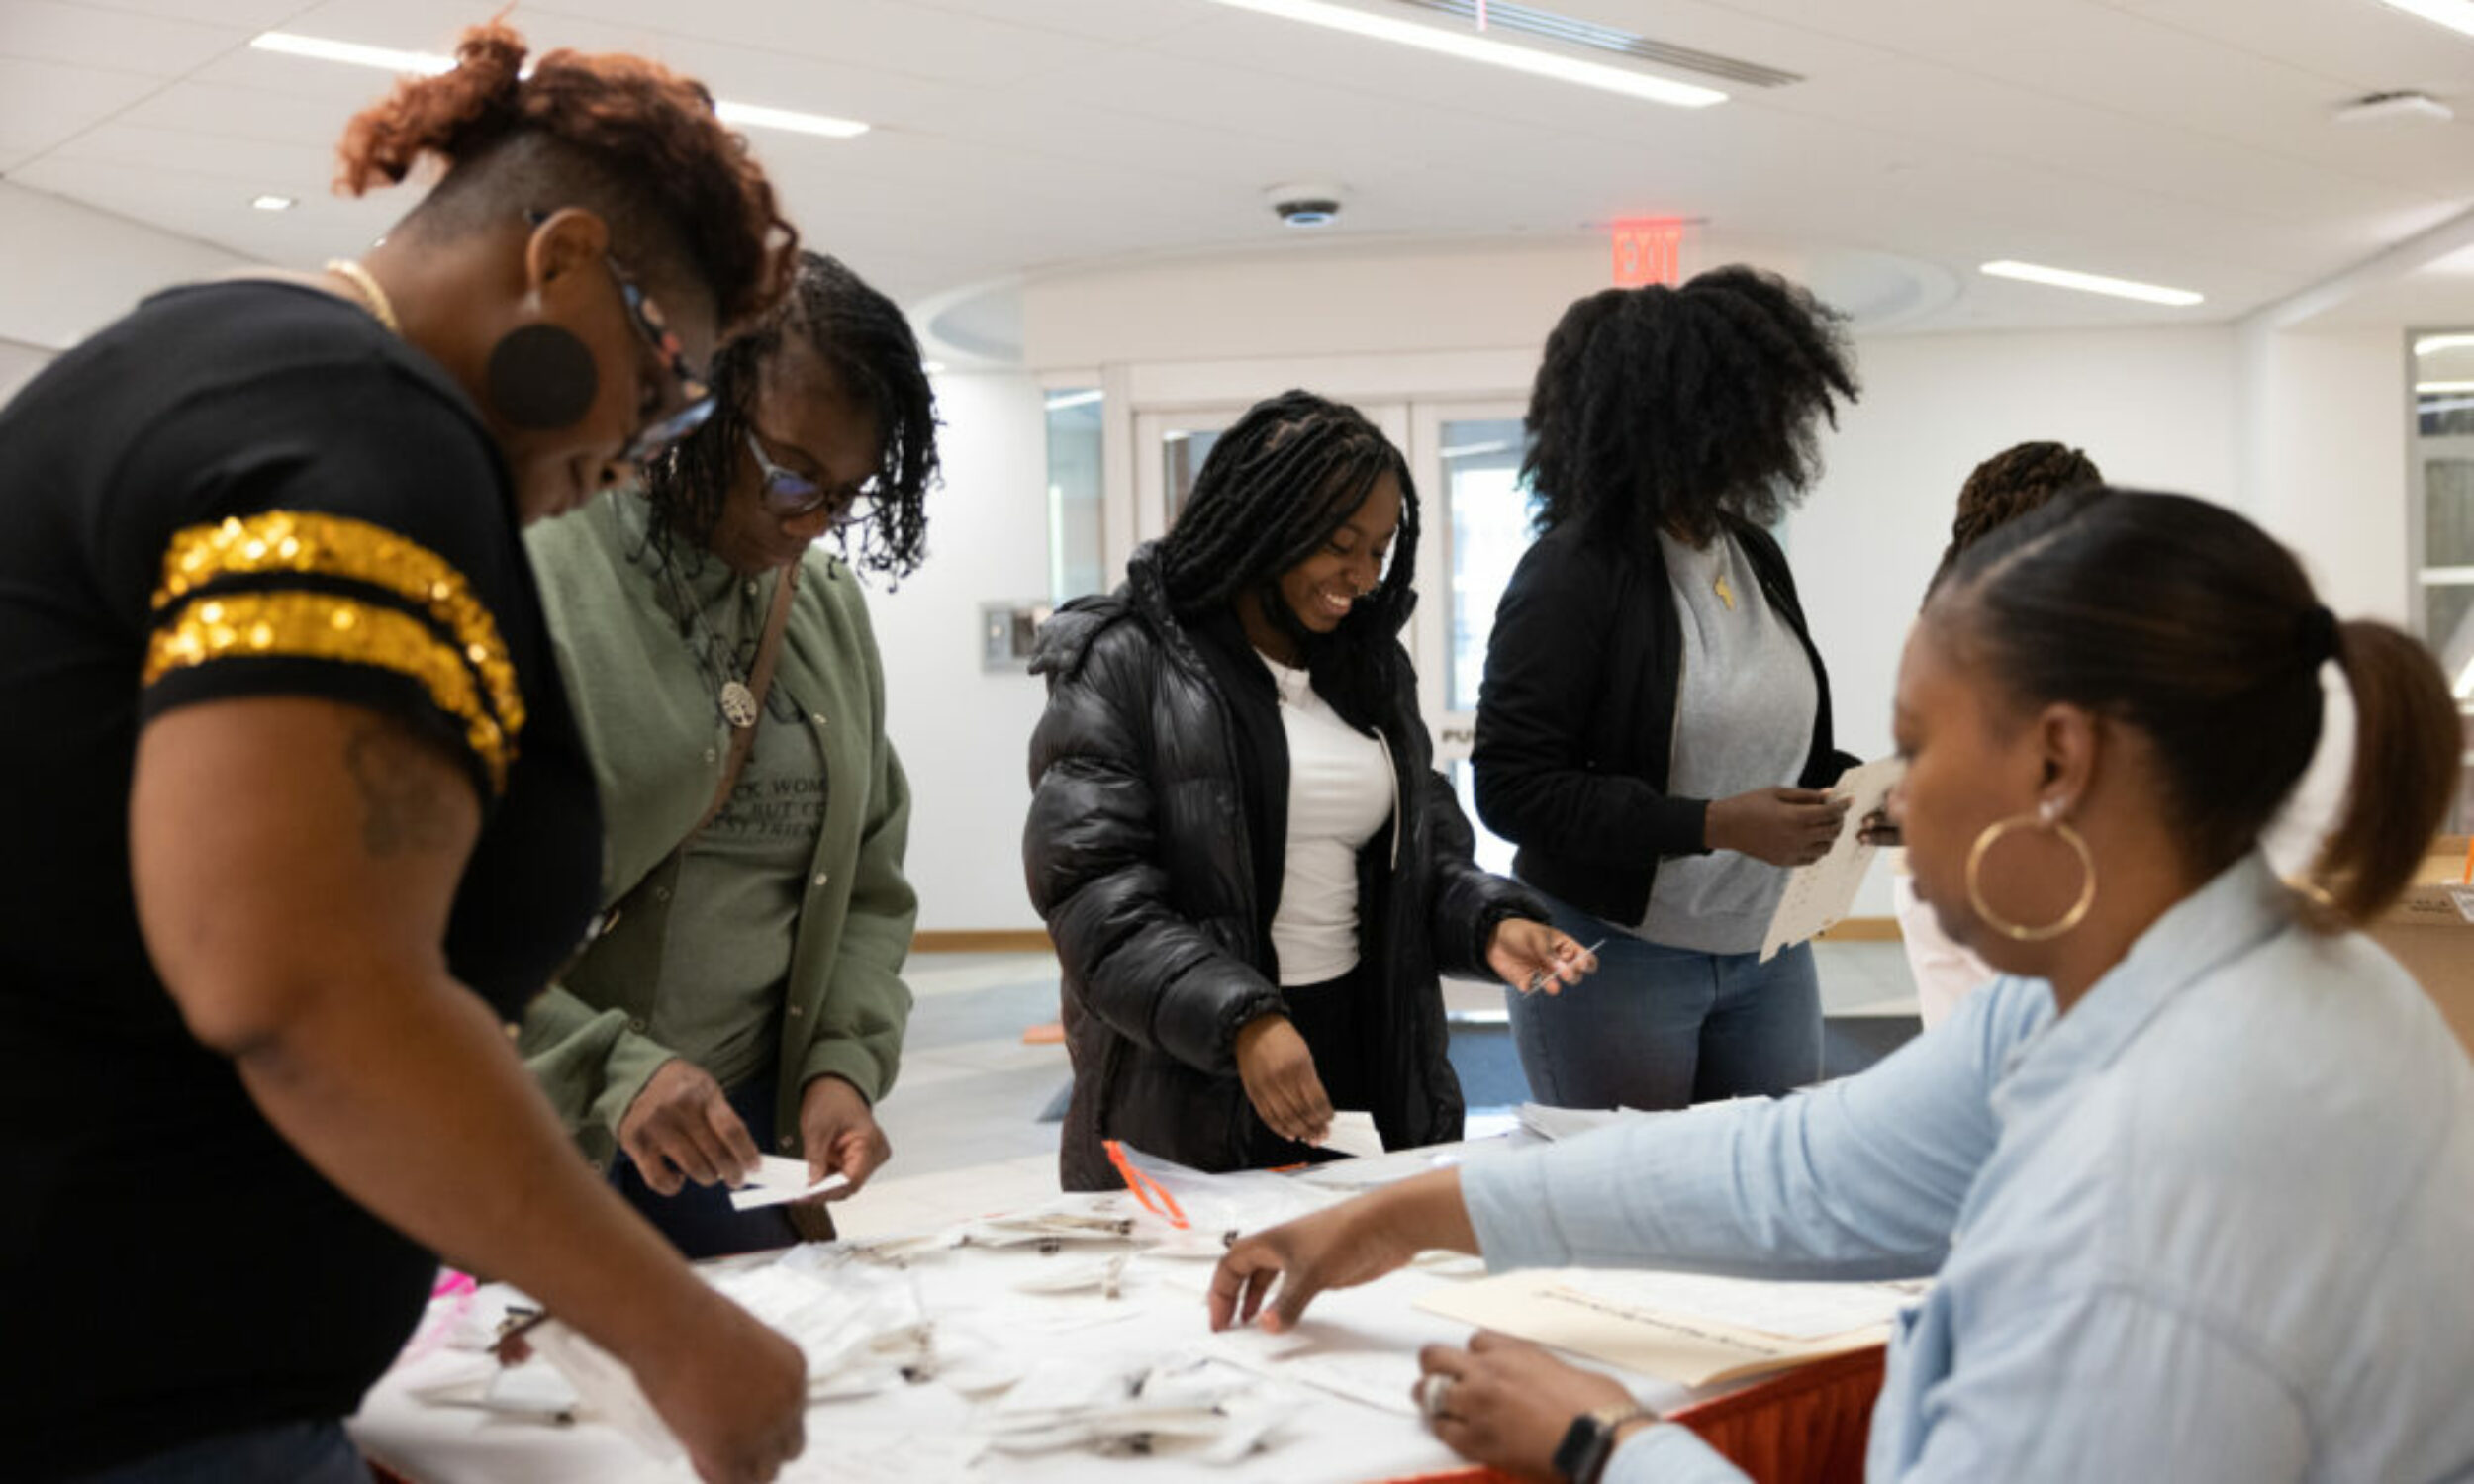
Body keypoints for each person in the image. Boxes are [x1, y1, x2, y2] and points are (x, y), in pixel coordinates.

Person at [1210, 488, 2474, 1483]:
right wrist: (1413, 1212)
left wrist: (1606, 1443)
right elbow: (1801, 1170)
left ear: (2058, 761)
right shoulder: (2192, 975)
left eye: (1918, 745)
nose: (1895, 797)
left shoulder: (2158, 1188)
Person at [0, 25, 813, 1484]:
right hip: (115, 1404)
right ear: (561, 263)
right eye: (671, 378)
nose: (643, 443)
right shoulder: (365, 426)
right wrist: (670, 1328)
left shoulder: (214, 364)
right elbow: (304, 979)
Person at [1025, 391, 1597, 1190]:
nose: (1362, 578)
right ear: (1268, 523)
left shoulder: (1366, 668)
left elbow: (1420, 853)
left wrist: (1487, 920)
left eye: (1380, 550)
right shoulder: (1126, 662)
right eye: (1339, 545)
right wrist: (1244, 1019)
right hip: (1194, 1070)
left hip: (1357, 1054)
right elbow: (1095, 898)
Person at [521, 251, 937, 1256]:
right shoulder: (540, 563)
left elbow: (868, 885)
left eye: (845, 494)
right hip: (540, 1136)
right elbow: (419, 921)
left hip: (741, 1147)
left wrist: (840, 1064)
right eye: (792, 476)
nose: (812, 522)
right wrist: (610, 1072)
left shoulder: (824, 605)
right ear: (691, 404)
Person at [1472, 267, 1862, 1112]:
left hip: (1766, 951)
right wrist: (1713, 825)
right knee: (1624, 1217)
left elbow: (1783, 744)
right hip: (1615, 952)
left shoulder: (1753, 553)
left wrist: (1863, 796)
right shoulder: (1572, 572)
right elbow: (1512, 786)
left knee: (1771, 1206)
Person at [1892, 440, 2104, 1028]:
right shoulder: (2060, 628)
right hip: (2016, 875)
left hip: (1936, 875)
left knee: (1965, 1070)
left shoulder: (1937, 616)